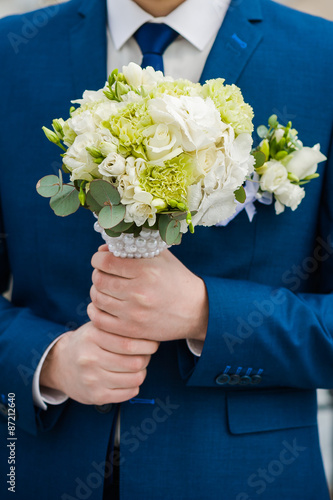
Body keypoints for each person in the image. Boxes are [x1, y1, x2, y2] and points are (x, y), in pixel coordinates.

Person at [0, 0, 332, 498]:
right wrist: (46, 360)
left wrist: (205, 312)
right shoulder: (12, 51)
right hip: (39, 474)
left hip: (244, 478)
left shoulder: (320, 56)